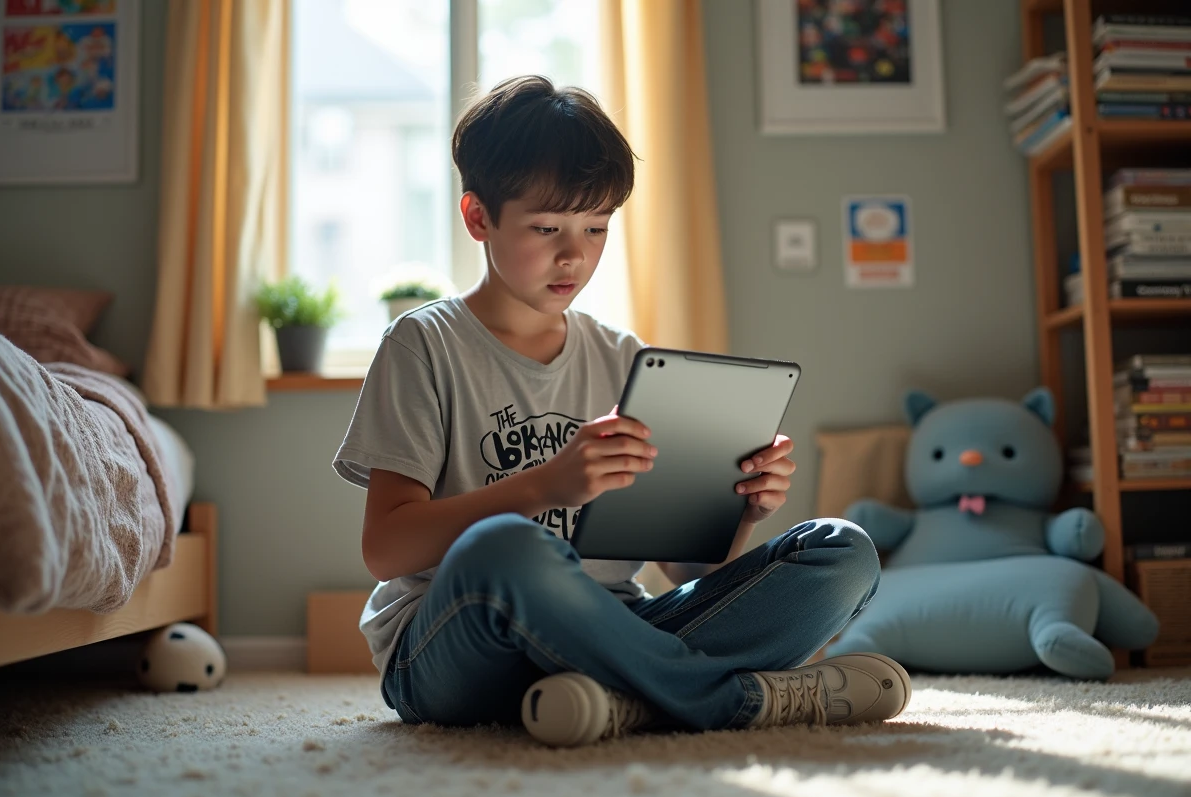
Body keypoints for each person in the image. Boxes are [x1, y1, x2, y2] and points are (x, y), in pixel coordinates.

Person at [333, 75, 911, 748]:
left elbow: (686, 572)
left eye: (597, 227)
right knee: (506, 546)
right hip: (452, 652)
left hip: (616, 638)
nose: (574, 253)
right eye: (547, 227)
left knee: (843, 551)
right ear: (478, 217)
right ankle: (726, 699)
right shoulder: (423, 345)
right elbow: (386, 549)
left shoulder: (623, 359)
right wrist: (545, 485)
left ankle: (631, 699)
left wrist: (742, 511)